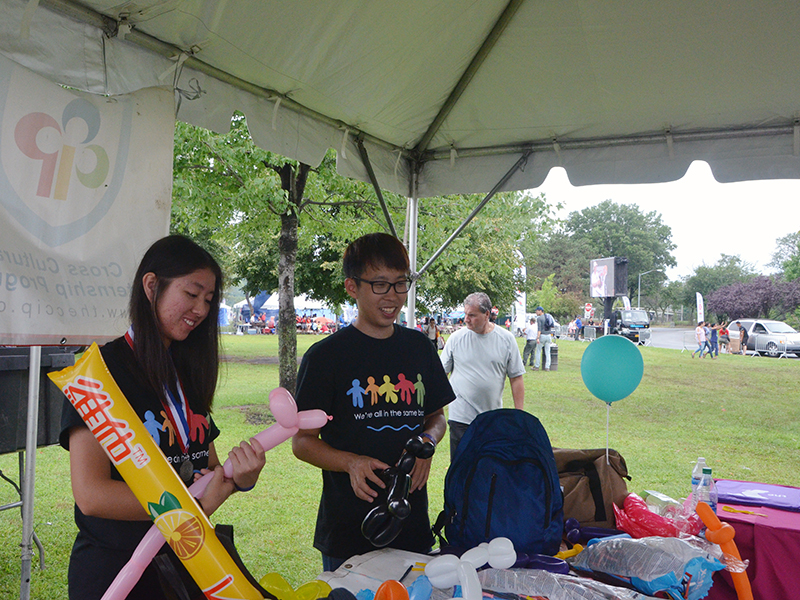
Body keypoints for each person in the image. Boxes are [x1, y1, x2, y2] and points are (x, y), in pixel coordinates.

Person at [59, 235, 266, 600]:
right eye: (192, 293)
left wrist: (240, 478)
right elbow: (92, 495)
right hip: (116, 572)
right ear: (152, 285)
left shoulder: (186, 372)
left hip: (186, 563)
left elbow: (204, 467)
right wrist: (191, 508)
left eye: (208, 299)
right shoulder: (100, 374)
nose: (201, 310)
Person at [292, 233, 454, 572]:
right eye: (380, 285)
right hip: (348, 528)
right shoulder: (325, 357)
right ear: (352, 287)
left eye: (400, 284)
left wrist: (428, 442)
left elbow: (437, 417)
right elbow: (302, 443)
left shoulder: (420, 347)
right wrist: (351, 463)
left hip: (411, 523)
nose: (392, 296)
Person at [441, 292, 525, 458]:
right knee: (461, 468)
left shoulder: (506, 339)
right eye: (465, 314)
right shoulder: (456, 339)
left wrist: (519, 416)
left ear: (487, 314)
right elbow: (441, 375)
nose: (466, 319)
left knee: (488, 467)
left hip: (491, 419)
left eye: (472, 315)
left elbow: (516, 378)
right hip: (461, 417)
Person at [534, 306, 553, 371]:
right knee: (548, 352)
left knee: (538, 351)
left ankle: (537, 366)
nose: (536, 312)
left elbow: (539, 329)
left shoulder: (539, 319)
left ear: (540, 311)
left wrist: (537, 337)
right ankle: (547, 367)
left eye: (537, 311)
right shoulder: (548, 317)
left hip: (542, 335)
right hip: (548, 335)